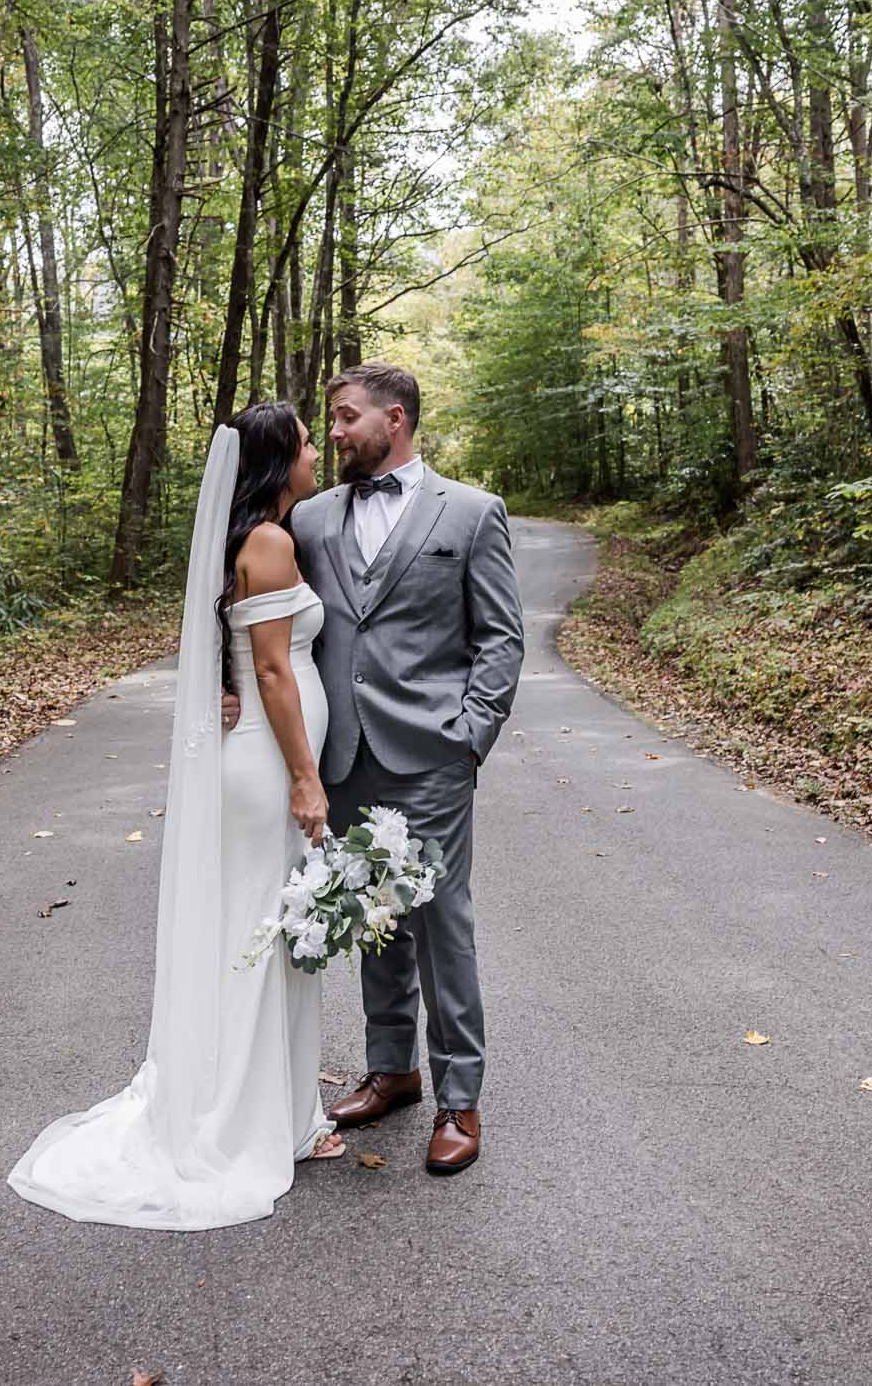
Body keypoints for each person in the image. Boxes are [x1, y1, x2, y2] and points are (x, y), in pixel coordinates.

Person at [7, 403, 346, 1231]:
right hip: (270, 770)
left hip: (266, 764)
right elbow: (270, 672)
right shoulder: (268, 543)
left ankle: (281, 1110)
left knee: (264, 936)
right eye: (306, 442)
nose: (314, 453)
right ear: (276, 460)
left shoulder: (260, 540)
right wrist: (307, 778)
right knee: (262, 941)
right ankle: (245, 1121)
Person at [294, 363, 525, 1175]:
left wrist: (470, 737)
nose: (334, 431)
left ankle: (461, 1096)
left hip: (432, 754)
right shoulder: (311, 518)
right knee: (371, 916)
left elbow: (500, 637)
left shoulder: (470, 512)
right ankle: (393, 1069)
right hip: (345, 752)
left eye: (346, 416)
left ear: (395, 419)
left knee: (439, 922)